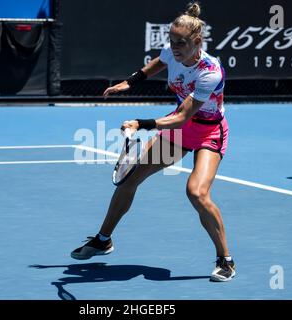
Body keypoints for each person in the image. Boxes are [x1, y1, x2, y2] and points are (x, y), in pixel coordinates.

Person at [71, 2, 235, 282]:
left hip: (207, 131)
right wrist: (131, 81)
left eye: (180, 43)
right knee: (130, 178)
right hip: (180, 129)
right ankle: (103, 240)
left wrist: (140, 123)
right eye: (171, 41)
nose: (174, 48)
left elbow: (183, 117)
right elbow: (160, 62)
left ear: (197, 42)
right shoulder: (174, 53)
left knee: (196, 192)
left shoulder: (210, 72)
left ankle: (225, 260)